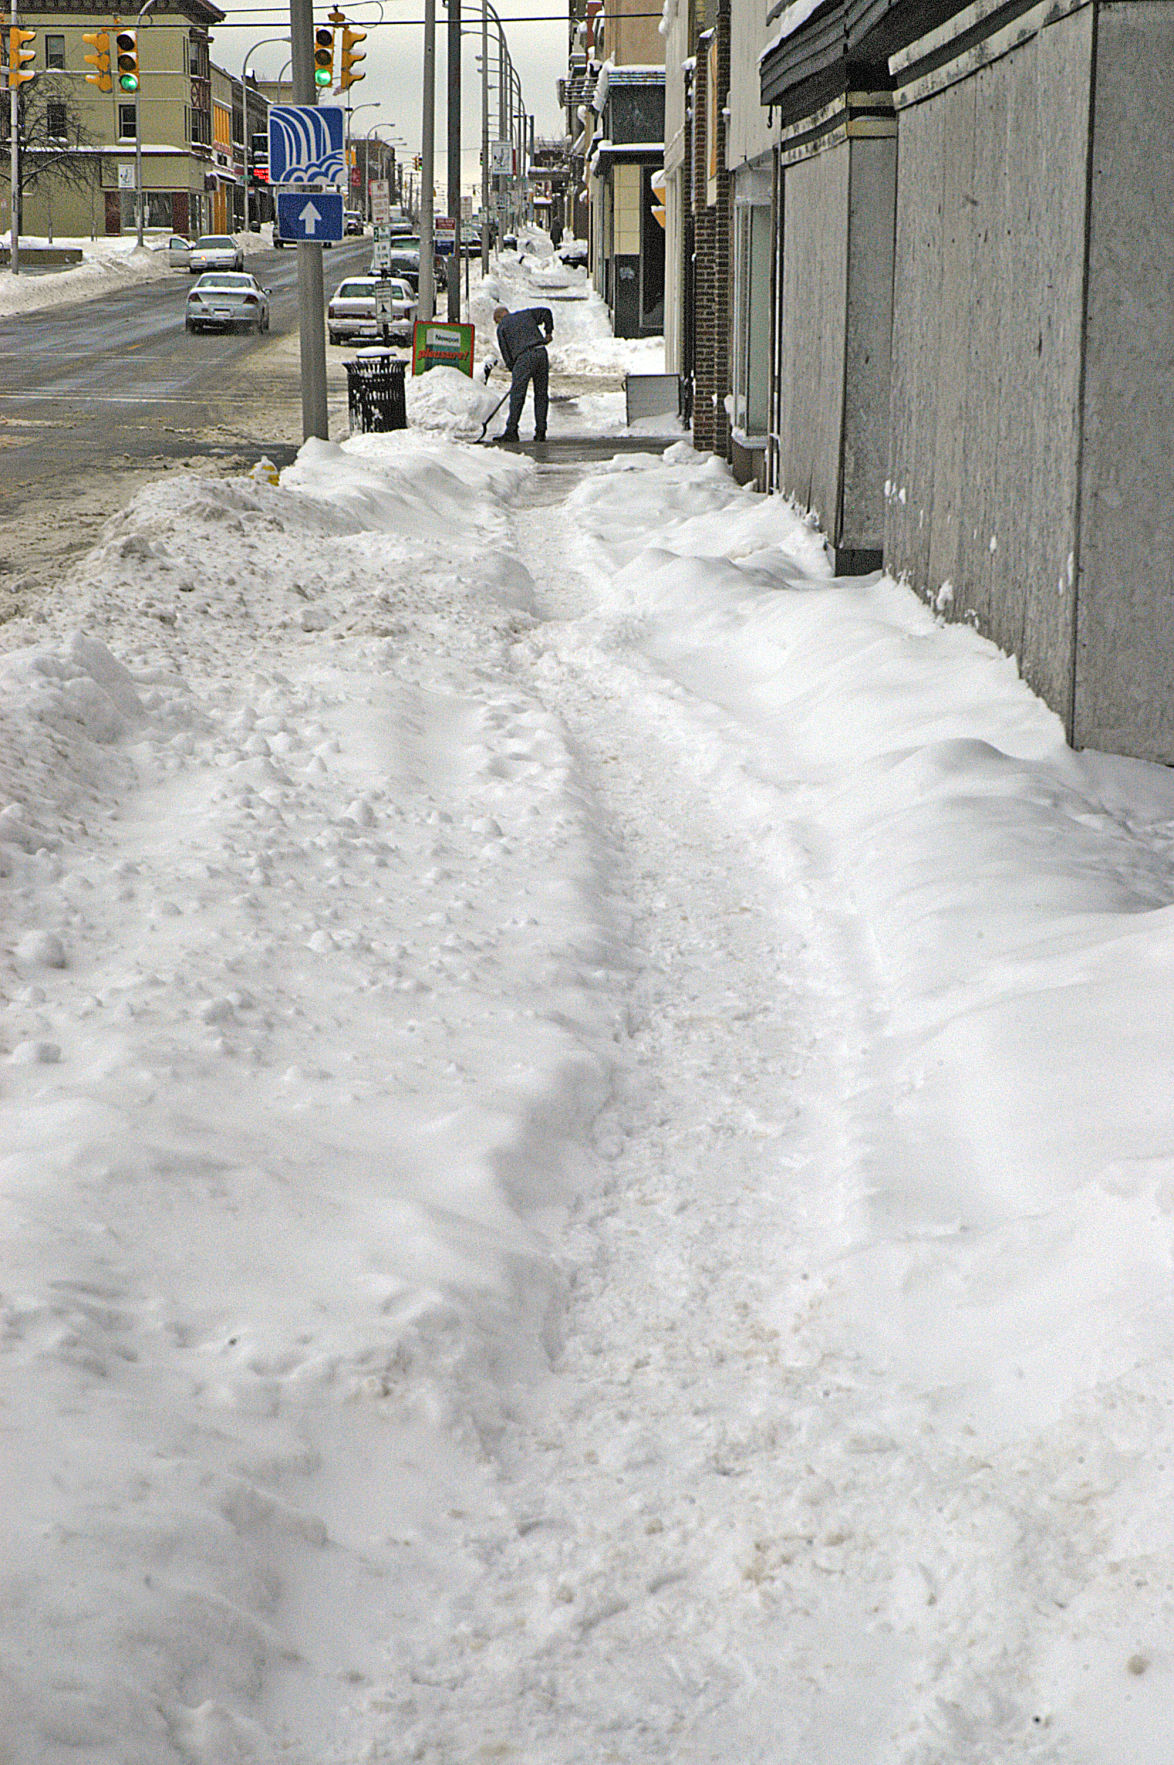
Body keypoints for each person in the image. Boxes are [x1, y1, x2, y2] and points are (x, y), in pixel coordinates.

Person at [493, 303, 554, 442]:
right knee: (541, 394)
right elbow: (546, 312)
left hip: (524, 356)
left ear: (498, 318)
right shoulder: (525, 314)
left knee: (517, 395)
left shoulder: (502, 327)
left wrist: (514, 370)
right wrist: (548, 332)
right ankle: (540, 432)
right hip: (541, 352)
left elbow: (506, 354)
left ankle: (511, 431)